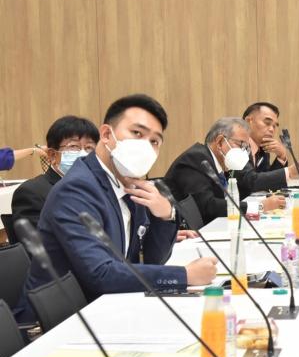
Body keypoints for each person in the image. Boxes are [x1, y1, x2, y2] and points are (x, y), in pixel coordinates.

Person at [13, 94, 218, 325]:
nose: (145, 146)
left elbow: (150, 260)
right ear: (106, 135)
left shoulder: (128, 183)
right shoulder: (77, 189)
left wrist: (165, 215)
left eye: (154, 141)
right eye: (137, 133)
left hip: (107, 309)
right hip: (56, 325)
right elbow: (101, 274)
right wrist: (184, 275)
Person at [164, 117, 287, 226]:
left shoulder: (221, 164)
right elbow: (208, 206)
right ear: (219, 142)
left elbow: (235, 195)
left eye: (246, 148)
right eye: (240, 145)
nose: (244, 152)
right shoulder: (197, 159)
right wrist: (260, 206)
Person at [10, 116, 99, 237]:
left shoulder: (100, 188)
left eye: (89, 148)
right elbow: (39, 244)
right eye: (74, 146)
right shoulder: (32, 193)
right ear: (52, 155)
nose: (83, 154)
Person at [242, 101, 299, 175]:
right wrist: (289, 172)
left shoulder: (264, 149)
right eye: (267, 123)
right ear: (248, 121)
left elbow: (268, 180)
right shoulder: (237, 147)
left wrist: (281, 156)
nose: (272, 129)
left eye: (274, 126)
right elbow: (250, 180)